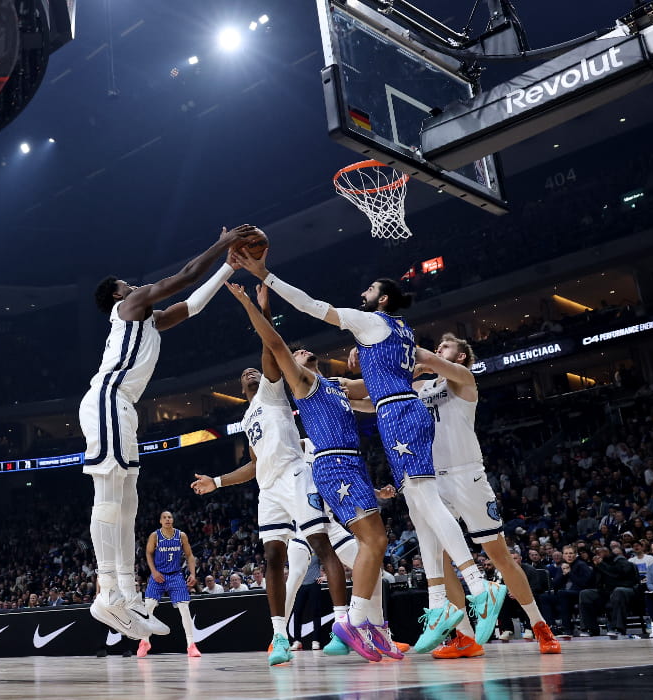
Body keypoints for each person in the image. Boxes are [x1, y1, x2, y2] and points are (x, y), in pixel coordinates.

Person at [231, 246, 500, 658]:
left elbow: (375, 388)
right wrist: (256, 303)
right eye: (299, 352)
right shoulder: (305, 382)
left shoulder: (337, 382)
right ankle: (359, 622)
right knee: (376, 537)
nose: (362, 295)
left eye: (370, 289)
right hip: (332, 464)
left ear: (384, 299)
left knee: (388, 531)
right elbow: (275, 343)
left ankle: (386, 619)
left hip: (370, 444)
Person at [83, 225, 253, 641]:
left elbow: (191, 303)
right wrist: (221, 244)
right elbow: (183, 278)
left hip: (122, 407)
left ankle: (126, 593)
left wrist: (228, 268)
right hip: (107, 399)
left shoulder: (148, 321)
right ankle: (106, 592)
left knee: (128, 501)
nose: (137, 285)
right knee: (109, 496)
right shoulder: (129, 307)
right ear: (119, 296)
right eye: (129, 284)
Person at [194, 281, 362, 665]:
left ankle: (342, 625)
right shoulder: (247, 415)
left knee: (322, 544)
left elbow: (271, 345)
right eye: (245, 374)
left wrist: (262, 305)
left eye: (255, 370)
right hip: (268, 488)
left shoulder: (272, 392)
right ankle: (279, 636)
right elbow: (253, 466)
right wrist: (217, 482)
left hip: (295, 476)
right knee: (272, 557)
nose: (252, 372)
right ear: (240, 388)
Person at [410, 335, 559, 657]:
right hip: (432, 479)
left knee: (499, 556)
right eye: (438, 347)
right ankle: (464, 636)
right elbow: (375, 399)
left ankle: (539, 624)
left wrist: (406, 349)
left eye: (445, 347)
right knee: (438, 559)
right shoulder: (420, 389)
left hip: (467, 476)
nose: (438, 349)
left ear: (461, 356)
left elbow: (433, 362)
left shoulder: (464, 380)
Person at [134, 511, 200, 658]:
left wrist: (193, 574)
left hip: (176, 575)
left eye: (170, 517)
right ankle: (144, 641)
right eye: (164, 517)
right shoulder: (155, 536)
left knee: (184, 608)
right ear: (160, 521)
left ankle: (191, 645)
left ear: (173, 520)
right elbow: (148, 553)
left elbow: (189, 555)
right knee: (148, 607)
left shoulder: (181, 535)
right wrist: (154, 572)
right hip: (158, 576)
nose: (168, 519)